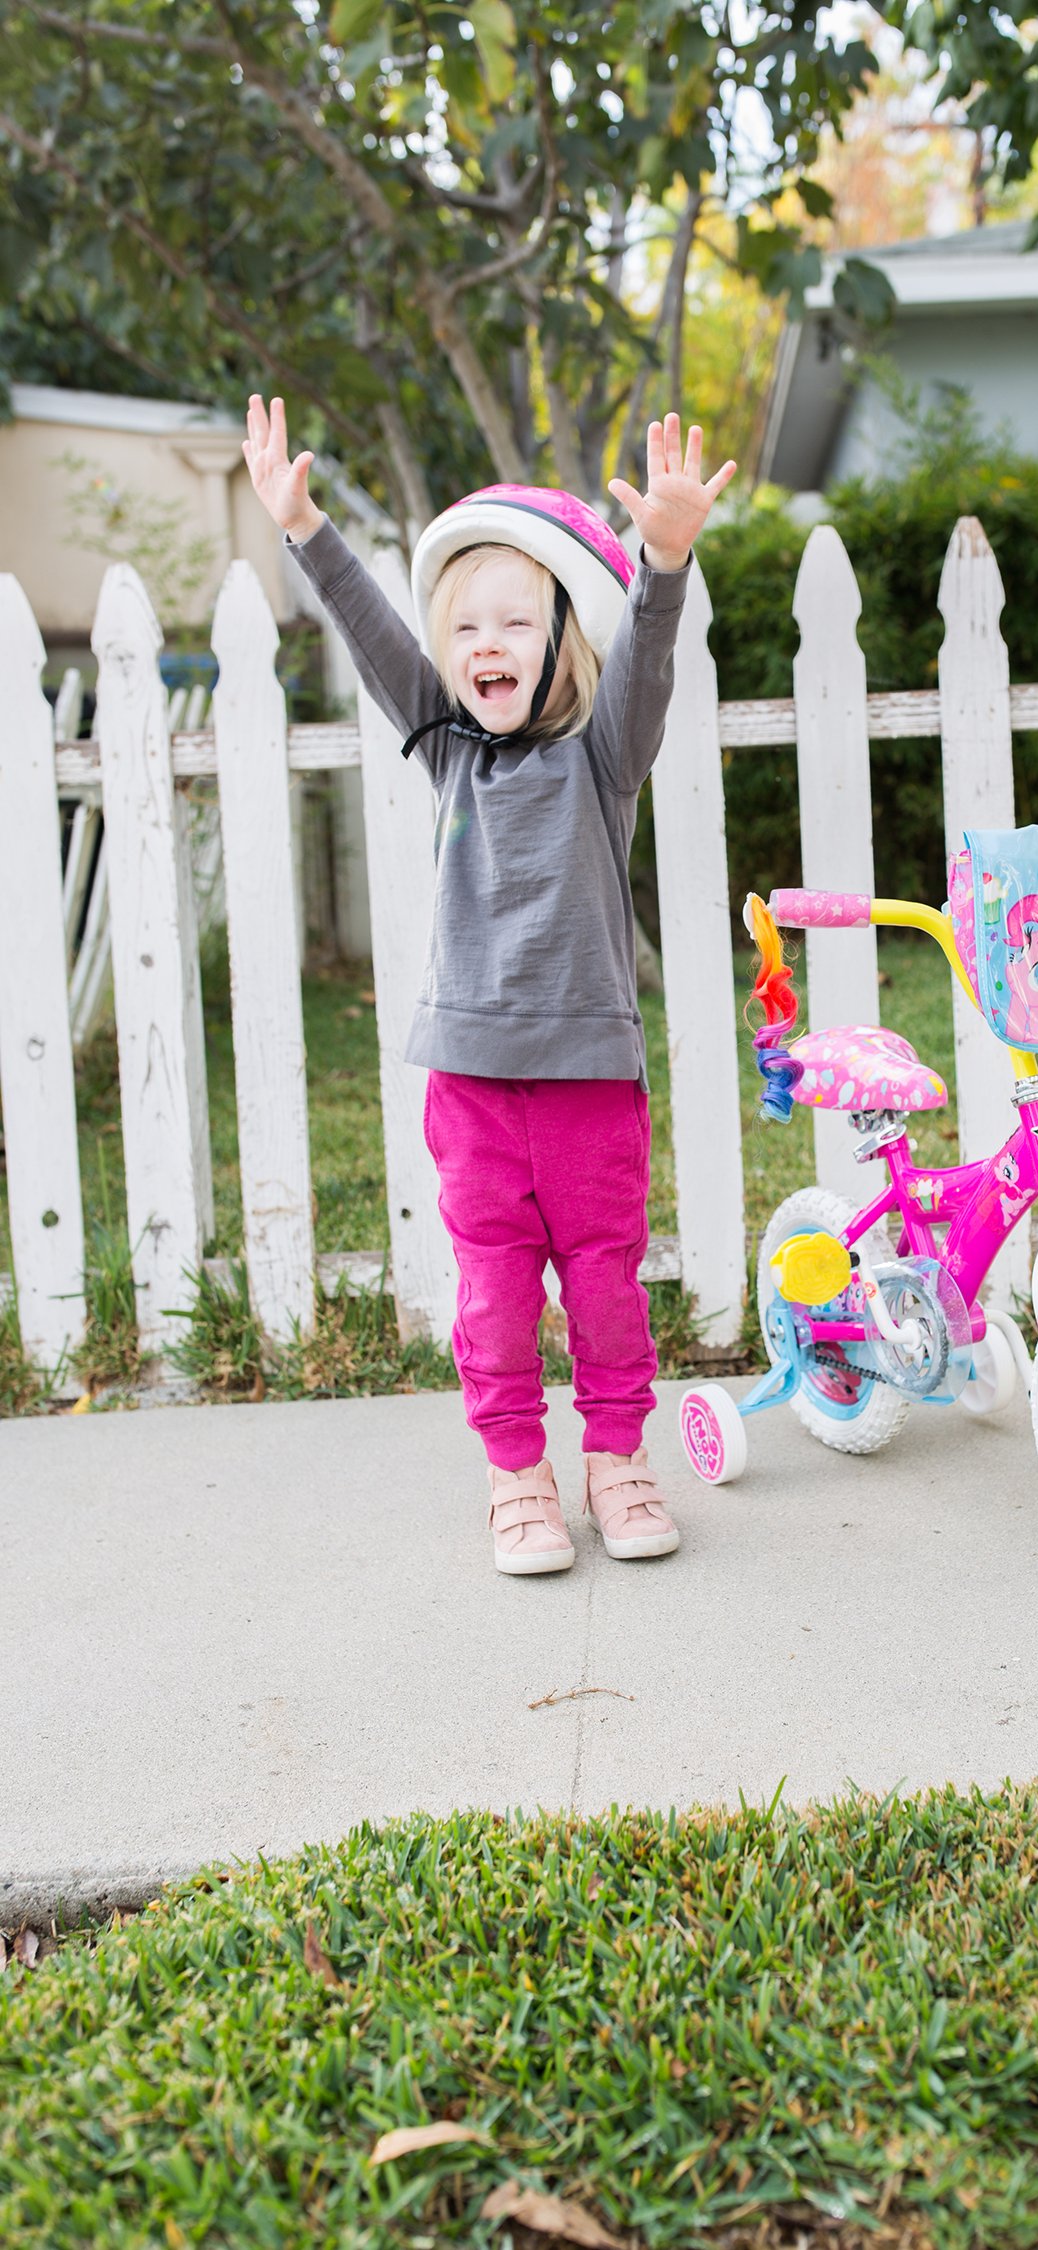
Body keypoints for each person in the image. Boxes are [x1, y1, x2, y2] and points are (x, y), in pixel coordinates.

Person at [243, 395, 735, 1577]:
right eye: (467, 629)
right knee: (496, 1297)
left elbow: (651, 668)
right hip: (469, 1086)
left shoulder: (601, 756)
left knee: (607, 1289)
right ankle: (517, 1478)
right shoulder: (446, 744)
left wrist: (664, 560)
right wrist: (303, 524)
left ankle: (617, 1460)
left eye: (515, 622)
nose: (485, 646)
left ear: (564, 638)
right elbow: (376, 639)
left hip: (584, 1086)